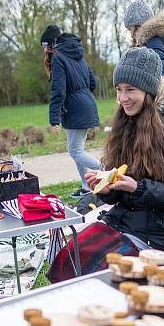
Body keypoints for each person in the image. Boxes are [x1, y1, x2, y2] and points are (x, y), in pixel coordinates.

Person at [46, 47, 164, 282]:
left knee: (100, 278)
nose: (123, 98)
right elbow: (118, 191)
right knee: (69, 259)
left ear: (149, 91)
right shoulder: (125, 125)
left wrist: (137, 188)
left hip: (156, 233)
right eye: (119, 90)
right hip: (121, 221)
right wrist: (107, 189)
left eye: (130, 90)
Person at [41, 24, 101, 200]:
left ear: (50, 44)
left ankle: (104, 170)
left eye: (44, 46)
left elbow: (58, 90)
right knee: (77, 150)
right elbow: (93, 82)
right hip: (86, 104)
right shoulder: (77, 54)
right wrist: (83, 96)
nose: (44, 50)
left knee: (75, 151)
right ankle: (86, 186)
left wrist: (54, 119)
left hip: (75, 108)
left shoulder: (58, 57)